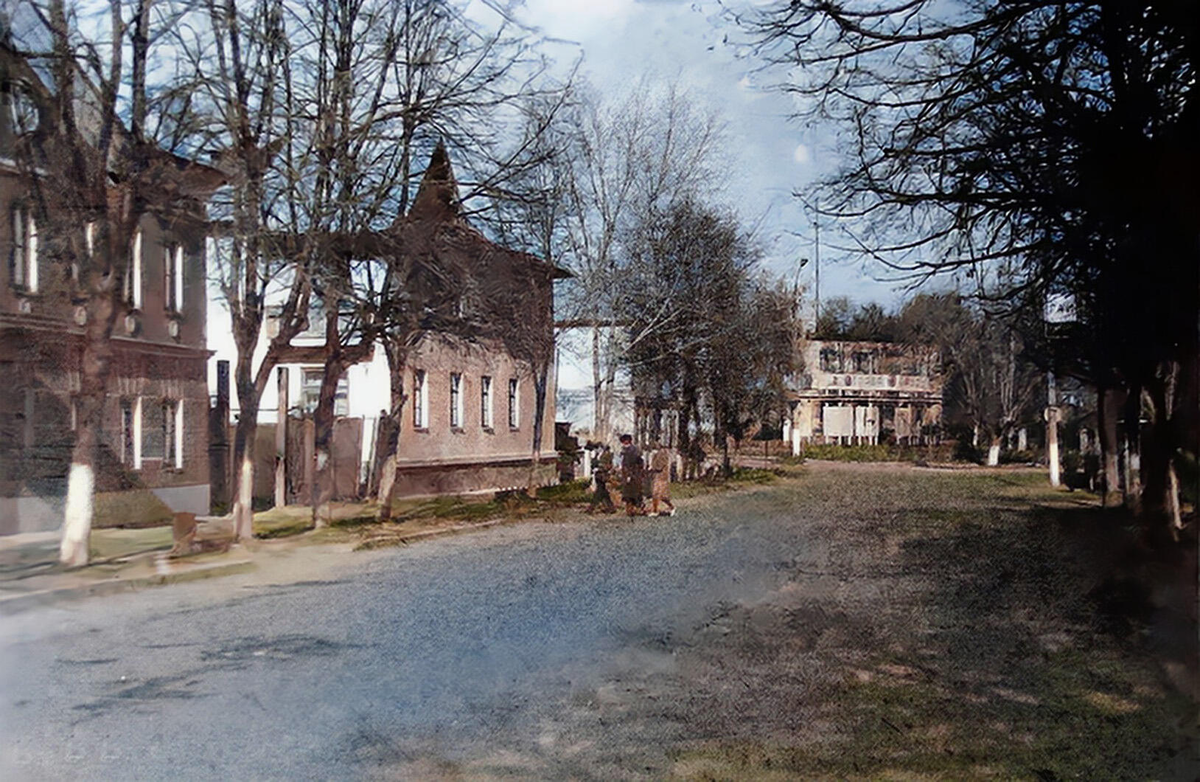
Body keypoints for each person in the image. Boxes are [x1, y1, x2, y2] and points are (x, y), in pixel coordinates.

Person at [618, 434, 646, 516]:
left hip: (633, 475)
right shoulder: (624, 451)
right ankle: (630, 509)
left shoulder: (633, 450)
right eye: (623, 441)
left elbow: (636, 463)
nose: (624, 442)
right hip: (627, 475)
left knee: (633, 494)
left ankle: (636, 508)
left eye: (626, 441)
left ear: (629, 441)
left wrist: (630, 474)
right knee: (628, 494)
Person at [587, 445, 617, 513]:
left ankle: (591, 508)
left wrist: (605, 469)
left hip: (601, 474)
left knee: (599, 492)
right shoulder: (597, 455)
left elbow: (609, 465)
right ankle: (611, 508)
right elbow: (593, 463)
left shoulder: (608, 455)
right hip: (598, 474)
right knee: (603, 493)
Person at [649, 442, 676, 516]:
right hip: (658, 476)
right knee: (656, 494)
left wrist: (653, 468)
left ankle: (671, 507)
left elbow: (660, 466)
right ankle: (655, 510)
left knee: (660, 494)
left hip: (662, 476)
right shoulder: (658, 453)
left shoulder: (663, 453)